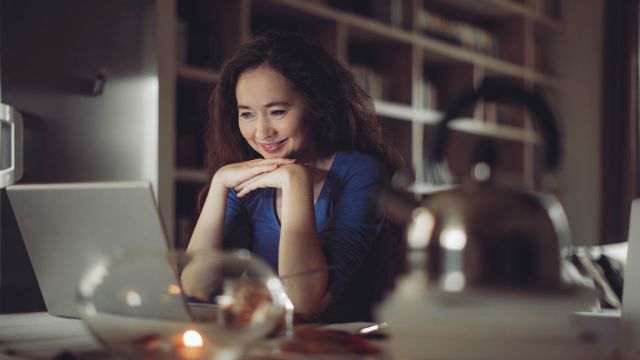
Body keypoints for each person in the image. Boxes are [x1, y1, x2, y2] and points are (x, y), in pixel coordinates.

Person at [186, 31, 402, 323]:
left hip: (353, 348)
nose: (262, 133)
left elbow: (305, 301)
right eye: (247, 114)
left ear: (318, 107)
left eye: (277, 111)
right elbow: (196, 287)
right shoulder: (249, 175)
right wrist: (220, 183)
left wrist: (296, 182)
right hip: (276, 345)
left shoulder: (363, 173)